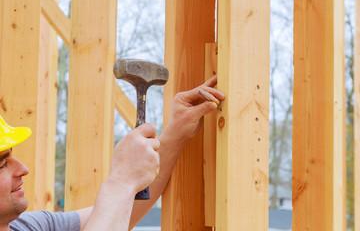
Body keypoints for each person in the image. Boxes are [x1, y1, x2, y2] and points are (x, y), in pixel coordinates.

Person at [0, 76, 225, 231]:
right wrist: (122, 180)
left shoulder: (27, 226)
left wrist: (175, 133)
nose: (23, 169)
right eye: (2, 165)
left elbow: (118, 214)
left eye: (11, 156)